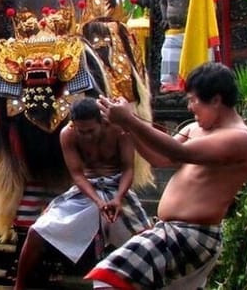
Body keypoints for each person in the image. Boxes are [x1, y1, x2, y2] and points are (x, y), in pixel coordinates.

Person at [86, 62, 247, 289]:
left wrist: (130, 120)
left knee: (108, 279)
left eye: (193, 100)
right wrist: (126, 127)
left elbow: (179, 152)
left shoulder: (239, 138)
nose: (189, 107)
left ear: (216, 100)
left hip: (191, 235)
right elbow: (161, 159)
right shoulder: (194, 129)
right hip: (173, 233)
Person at [13, 98, 151, 290]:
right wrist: (97, 201)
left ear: (102, 122)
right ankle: (19, 286)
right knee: (36, 231)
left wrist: (118, 198)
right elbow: (77, 174)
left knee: (147, 240)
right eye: (81, 131)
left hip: (117, 187)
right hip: (86, 189)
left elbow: (129, 169)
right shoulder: (67, 134)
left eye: (91, 131)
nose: (86, 136)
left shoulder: (119, 130)